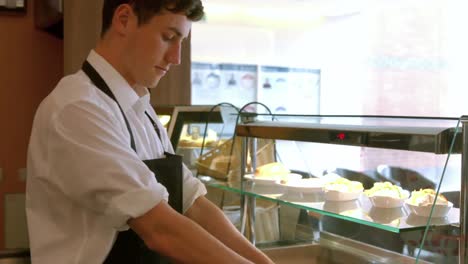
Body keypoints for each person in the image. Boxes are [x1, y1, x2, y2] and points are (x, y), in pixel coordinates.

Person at [26, 0, 274, 263]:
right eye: (168, 37)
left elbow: (194, 204)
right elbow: (158, 228)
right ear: (123, 19)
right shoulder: (77, 108)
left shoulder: (141, 109)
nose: (176, 58)